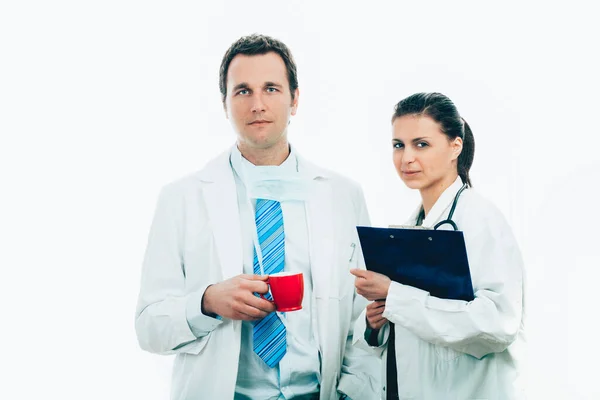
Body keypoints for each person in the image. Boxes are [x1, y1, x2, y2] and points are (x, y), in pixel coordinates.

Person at [135, 34, 380, 400]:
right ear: (225, 103)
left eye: (271, 88)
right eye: (243, 91)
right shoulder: (181, 199)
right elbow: (149, 328)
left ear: (295, 99)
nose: (258, 104)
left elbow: (364, 319)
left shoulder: (343, 195)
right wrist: (207, 301)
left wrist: (353, 392)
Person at [351, 92, 526, 399]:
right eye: (398, 145)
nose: (406, 158)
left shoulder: (480, 219)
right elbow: (418, 326)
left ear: (454, 146)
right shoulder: (416, 225)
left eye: (422, 144)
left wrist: (394, 296)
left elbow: (497, 325)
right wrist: (374, 323)